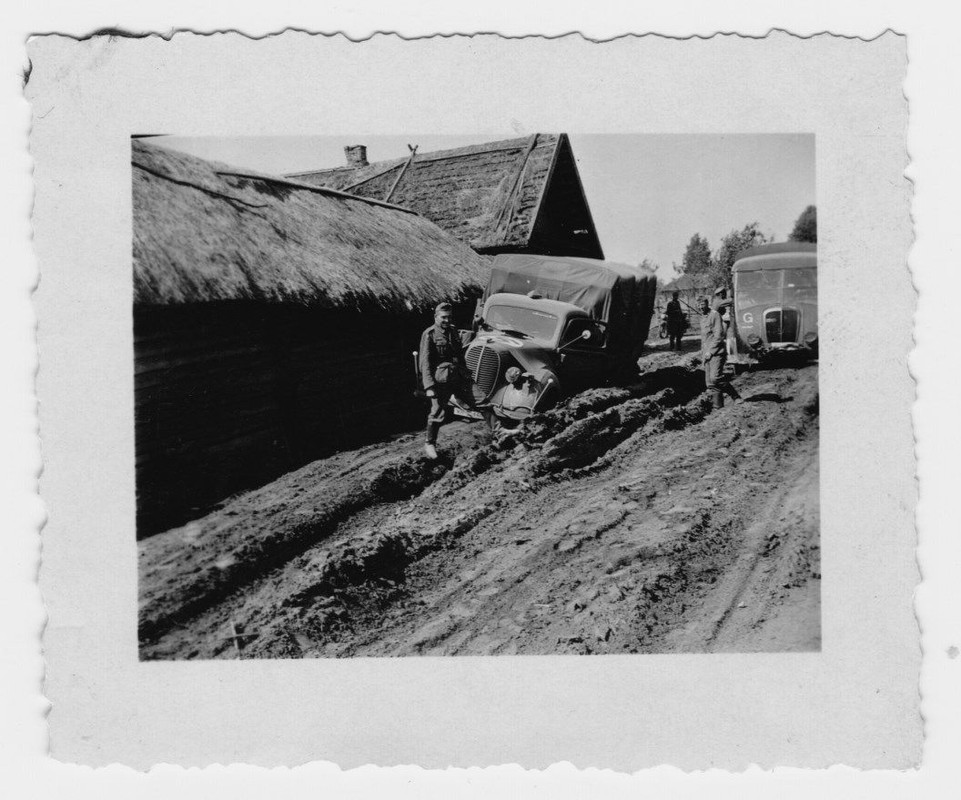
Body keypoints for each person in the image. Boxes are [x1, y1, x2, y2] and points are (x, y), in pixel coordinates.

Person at [419, 302, 476, 459]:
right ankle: (429, 444)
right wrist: (429, 386)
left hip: (456, 376)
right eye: (443, 317)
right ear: (436, 317)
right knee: (437, 412)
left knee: (481, 400)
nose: (447, 320)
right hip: (440, 380)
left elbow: (458, 354)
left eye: (449, 317)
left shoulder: (453, 331)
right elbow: (425, 362)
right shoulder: (429, 334)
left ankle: (499, 431)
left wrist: (465, 372)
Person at [700, 287, 742, 409]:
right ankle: (718, 407)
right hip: (707, 353)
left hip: (716, 352)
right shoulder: (703, 318)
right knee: (710, 383)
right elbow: (704, 339)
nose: (701, 307)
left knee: (715, 378)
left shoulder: (714, 315)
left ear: (707, 304)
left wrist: (711, 351)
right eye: (699, 305)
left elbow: (718, 335)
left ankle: (736, 397)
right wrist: (704, 354)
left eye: (702, 304)